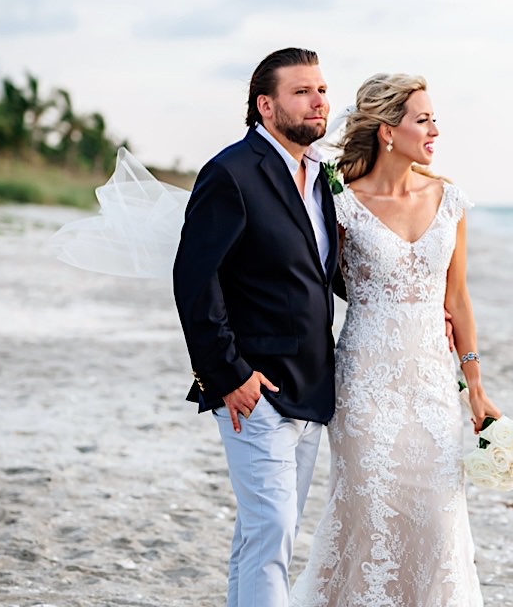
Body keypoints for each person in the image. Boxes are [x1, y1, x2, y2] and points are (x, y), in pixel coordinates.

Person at [290, 73, 500, 605]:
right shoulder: (340, 202)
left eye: (434, 119)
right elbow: (313, 283)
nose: (434, 130)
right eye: (422, 119)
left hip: (432, 390)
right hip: (364, 389)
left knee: (435, 524)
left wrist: (474, 387)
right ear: (387, 130)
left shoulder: (449, 199)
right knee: (368, 518)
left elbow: (458, 300)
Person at [172, 47, 340, 607]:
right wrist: (228, 375)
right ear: (266, 106)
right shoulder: (231, 173)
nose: (319, 101)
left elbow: (318, 273)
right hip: (255, 389)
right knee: (273, 532)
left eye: (320, 89)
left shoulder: (319, 176)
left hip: (311, 386)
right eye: (302, 91)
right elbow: (196, 282)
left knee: (261, 535)